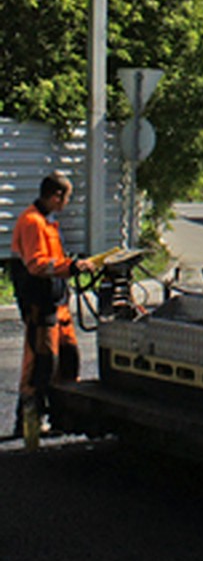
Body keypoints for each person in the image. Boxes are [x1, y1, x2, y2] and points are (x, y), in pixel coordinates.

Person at [10, 172, 93, 446]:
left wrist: (72, 265)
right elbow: (37, 265)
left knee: (68, 357)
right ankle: (28, 421)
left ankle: (61, 415)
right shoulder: (32, 222)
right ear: (56, 196)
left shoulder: (48, 222)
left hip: (57, 303)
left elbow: (54, 260)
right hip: (40, 304)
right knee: (40, 363)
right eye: (67, 197)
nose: (68, 202)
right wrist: (68, 267)